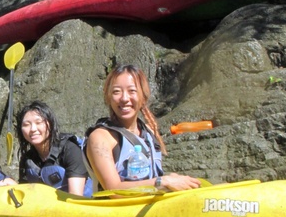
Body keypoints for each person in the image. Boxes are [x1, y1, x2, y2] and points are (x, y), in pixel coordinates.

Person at [85, 64, 201, 193]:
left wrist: (172, 180)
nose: (124, 98)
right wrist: (162, 181)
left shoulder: (148, 131)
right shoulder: (100, 138)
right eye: (116, 91)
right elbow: (113, 189)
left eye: (132, 91)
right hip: (118, 211)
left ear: (143, 97)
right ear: (108, 97)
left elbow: (149, 181)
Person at [16, 100, 91, 196]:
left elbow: (76, 196)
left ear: (50, 124)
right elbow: (24, 196)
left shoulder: (70, 150)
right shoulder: (27, 159)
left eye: (38, 122)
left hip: (81, 207)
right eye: (26, 125)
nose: (33, 129)